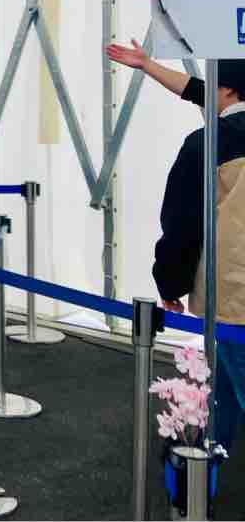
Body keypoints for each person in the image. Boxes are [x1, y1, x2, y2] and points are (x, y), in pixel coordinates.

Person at [107, 40, 245, 451]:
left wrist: (170, 283)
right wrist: (147, 65)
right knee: (227, 385)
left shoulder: (207, 144)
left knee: (234, 374)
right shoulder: (221, 126)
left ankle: (208, 465)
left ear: (227, 89)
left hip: (235, 292)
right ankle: (212, 458)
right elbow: (204, 91)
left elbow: (182, 224)